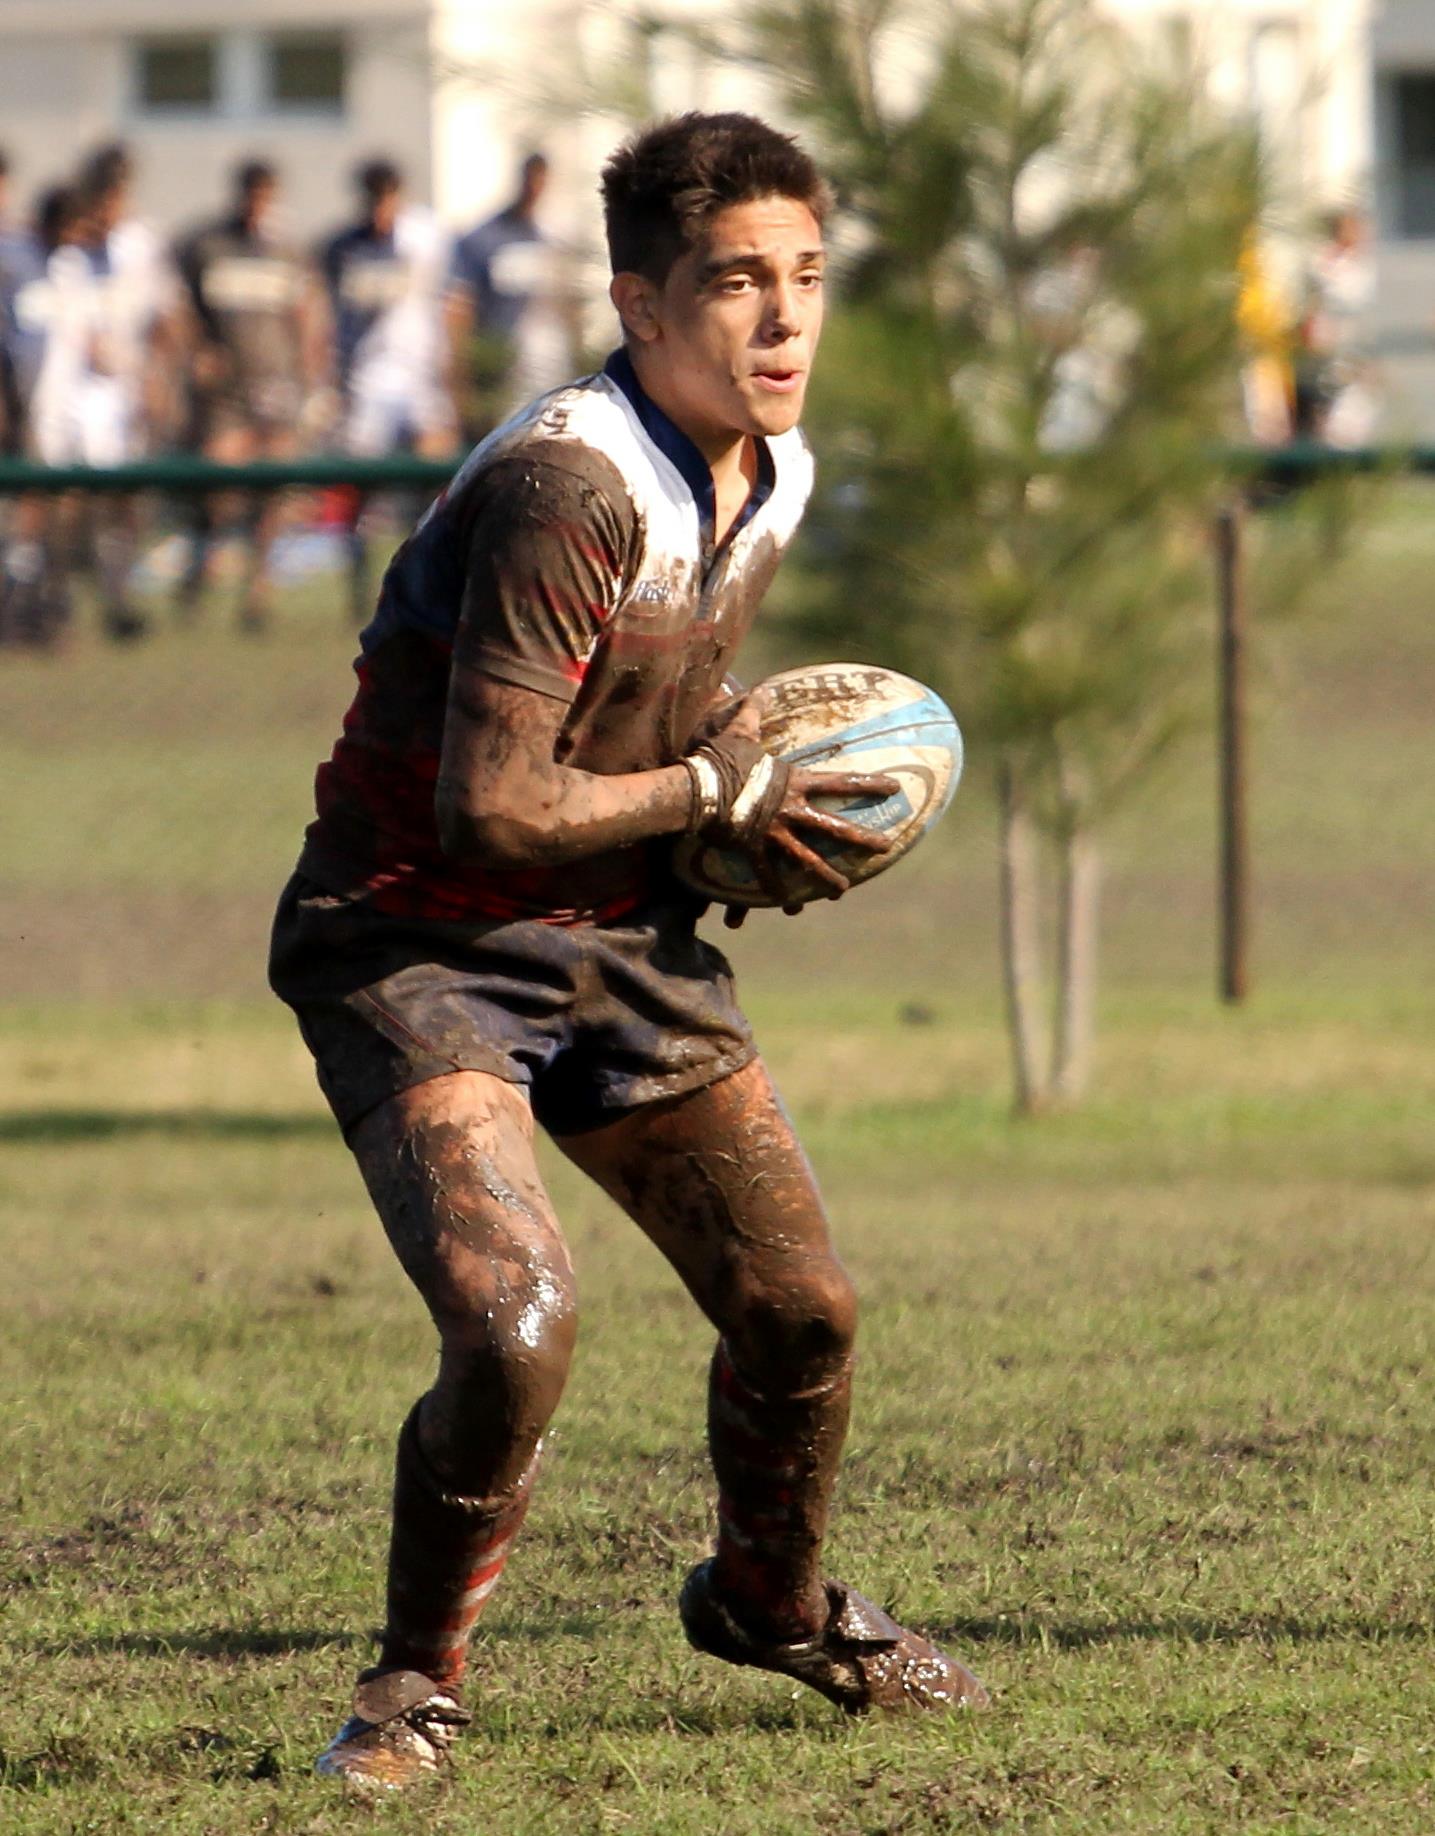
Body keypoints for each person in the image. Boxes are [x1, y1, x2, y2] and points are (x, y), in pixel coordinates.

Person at [269, 111, 988, 1795]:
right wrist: (707, 784)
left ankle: (769, 1600)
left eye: (807, 278)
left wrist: (726, 829)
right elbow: (499, 806)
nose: (785, 319)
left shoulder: (773, 466)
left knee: (801, 1309)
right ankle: (409, 1688)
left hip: (617, 940)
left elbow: (651, 747)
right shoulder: (564, 485)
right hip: (416, 939)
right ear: (642, 305)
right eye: (737, 282)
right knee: (514, 1327)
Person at [174, 159, 327, 632]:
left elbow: (307, 313)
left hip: (277, 384)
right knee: (219, 481)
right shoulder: (207, 246)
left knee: (276, 489)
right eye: (252, 193)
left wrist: (312, 374)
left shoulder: (287, 251)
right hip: (227, 389)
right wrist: (198, 351)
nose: (258, 204)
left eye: (266, 194)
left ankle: (259, 588)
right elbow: (179, 308)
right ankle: (205, 560)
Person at [320, 158, 457, 621]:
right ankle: (359, 585)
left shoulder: (426, 239)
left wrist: (448, 372)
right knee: (362, 486)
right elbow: (326, 317)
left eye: (389, 198)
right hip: (367, 381)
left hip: (419, 379)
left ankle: (427, 577)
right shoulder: (343, 249)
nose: (382, 210)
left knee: (437, 474)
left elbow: (449, 305)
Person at [76, 143, 180, 640]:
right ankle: (89, 595)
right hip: (78, 396)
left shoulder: (141, 243)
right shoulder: (70, 244)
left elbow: (162, 315)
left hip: (127, 392)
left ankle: (119, 595)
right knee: (86, 500)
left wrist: (158, 375)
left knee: (129, 503)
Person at [0, 184, 104, 647]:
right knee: (21, 516)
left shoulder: (73, 268)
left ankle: (48, 608)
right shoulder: (11, 260)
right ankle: (15, 612)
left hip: (66, 413)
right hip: (22, 409)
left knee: (59, 516)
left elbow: (81, 338)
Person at [448, 151, 572, 435]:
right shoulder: (485, 237)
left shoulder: (555, 235)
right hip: (503, 365)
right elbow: (461, 305)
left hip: (550, 363)